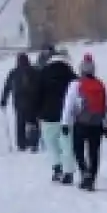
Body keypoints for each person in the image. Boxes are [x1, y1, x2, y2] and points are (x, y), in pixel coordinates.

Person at [61, 54, 107, 191]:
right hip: (97, 123)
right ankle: (91, 179)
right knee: (94, 152)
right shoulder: (100, 85)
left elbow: (69, 105)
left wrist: (65, 123)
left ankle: (84, 172)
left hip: (81, 122)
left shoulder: (76, 84)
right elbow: (105, 107)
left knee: (78, 149)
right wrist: (105, 124)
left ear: (81, 70)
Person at [35, 47, 78, 184]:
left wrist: (36, 112)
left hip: (47, 116)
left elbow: (37, 94)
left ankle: (57, 168)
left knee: (52, 144)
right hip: (66, 116)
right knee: (67, 144)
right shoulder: (71, 74)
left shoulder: (43, 74)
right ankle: (68, 172)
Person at [0, 53, 40, 151]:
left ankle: (21, 144)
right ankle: (34, 143)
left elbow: (7, 87)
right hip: (33, 102)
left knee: (20, 123)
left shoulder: (14, 73)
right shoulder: (34, 71)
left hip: (19, 102)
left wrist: (3, 100)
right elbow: (40, 86)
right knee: (33, 122)